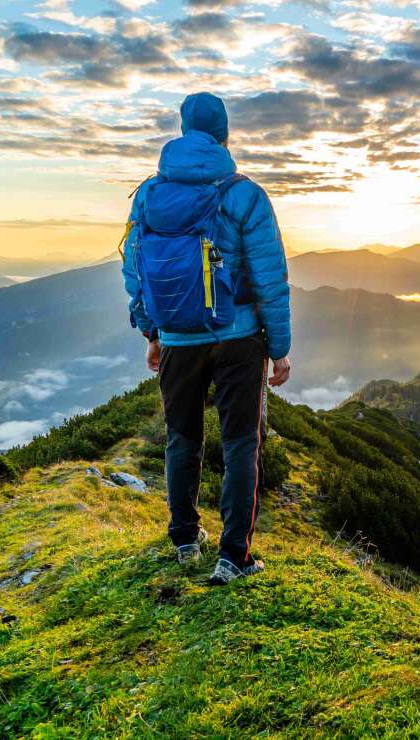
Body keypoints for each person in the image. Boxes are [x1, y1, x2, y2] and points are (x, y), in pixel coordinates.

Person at [121, 92, 291, 585]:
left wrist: (152, 332)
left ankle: (183, 540)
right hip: (239, 339)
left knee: (182, 438)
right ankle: (233, 555)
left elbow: (135, 271)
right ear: (224, 135)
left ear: (181, 129)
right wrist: (278, 348)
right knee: (241, 443)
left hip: (177, 336)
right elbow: (269, 278)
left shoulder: (150, 195)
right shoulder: (244, 195)